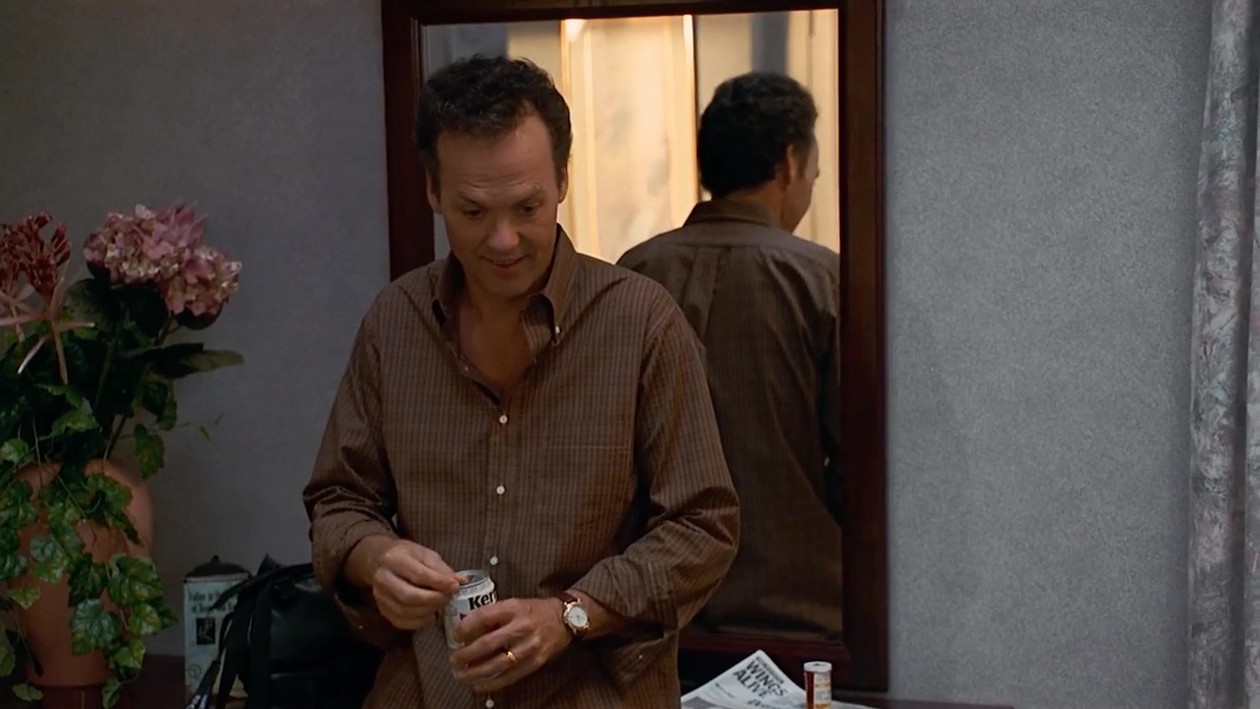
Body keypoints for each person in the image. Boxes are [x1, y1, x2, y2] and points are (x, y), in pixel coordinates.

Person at [301, 54, 740, 708]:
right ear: (433, 192)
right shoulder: (396, 322)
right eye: (473, 212)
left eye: (527, 207)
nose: (504, 240)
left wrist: (573, 613)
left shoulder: (641, 323)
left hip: (590, 694)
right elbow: (339, 497)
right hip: (425, 689)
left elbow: (704, 525)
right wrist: (373, 556)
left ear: (562, 180)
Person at [617, 72, 842, 641]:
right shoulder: (820, 279)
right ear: (789, 163)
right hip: (798, 606)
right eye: (813, 173)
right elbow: (856, 460)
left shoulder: (634, 272)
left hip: (656, 610)